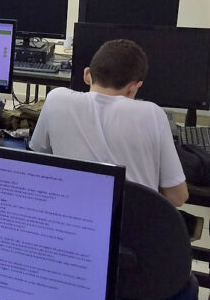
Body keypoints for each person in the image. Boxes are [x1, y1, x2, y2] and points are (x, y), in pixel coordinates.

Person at [29, 39, 187, 207]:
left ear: (87, 75)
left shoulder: (56, 99)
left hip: (73, 219)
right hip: (134, 228)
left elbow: (38, 154)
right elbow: (178, 197)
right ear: (134, 87)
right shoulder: (153, 113)